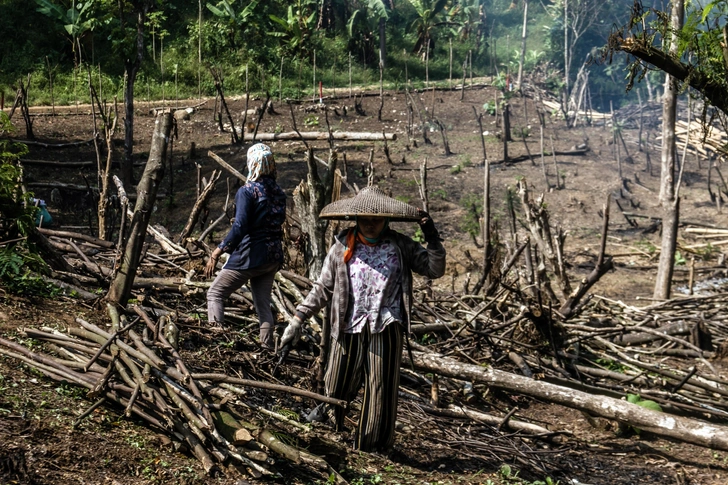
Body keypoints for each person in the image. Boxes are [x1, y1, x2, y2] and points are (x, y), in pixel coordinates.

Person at [279, 186, 446, 452]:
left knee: (380, 388)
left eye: (376, 219)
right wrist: (298, 318)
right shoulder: (341, 246)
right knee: (336, 382)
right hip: (348, 324)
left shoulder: (400, 245)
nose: (370, 223)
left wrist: (431, 235)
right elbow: (324, 288)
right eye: (364, 218)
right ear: (355, 218)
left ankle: (370, 447)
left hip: (386, 325)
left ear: (386, 220)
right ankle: (326, 428)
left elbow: (435, 269)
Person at [205, 143, 286, 349]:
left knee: (215, 293)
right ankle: (266, 349)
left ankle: (217, 343)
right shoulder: (279, 193)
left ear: (253, 164)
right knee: (263, 304)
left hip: (250, 255)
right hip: (273, 257)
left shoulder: (247, 191)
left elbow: (240, 226)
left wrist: (218, 251)